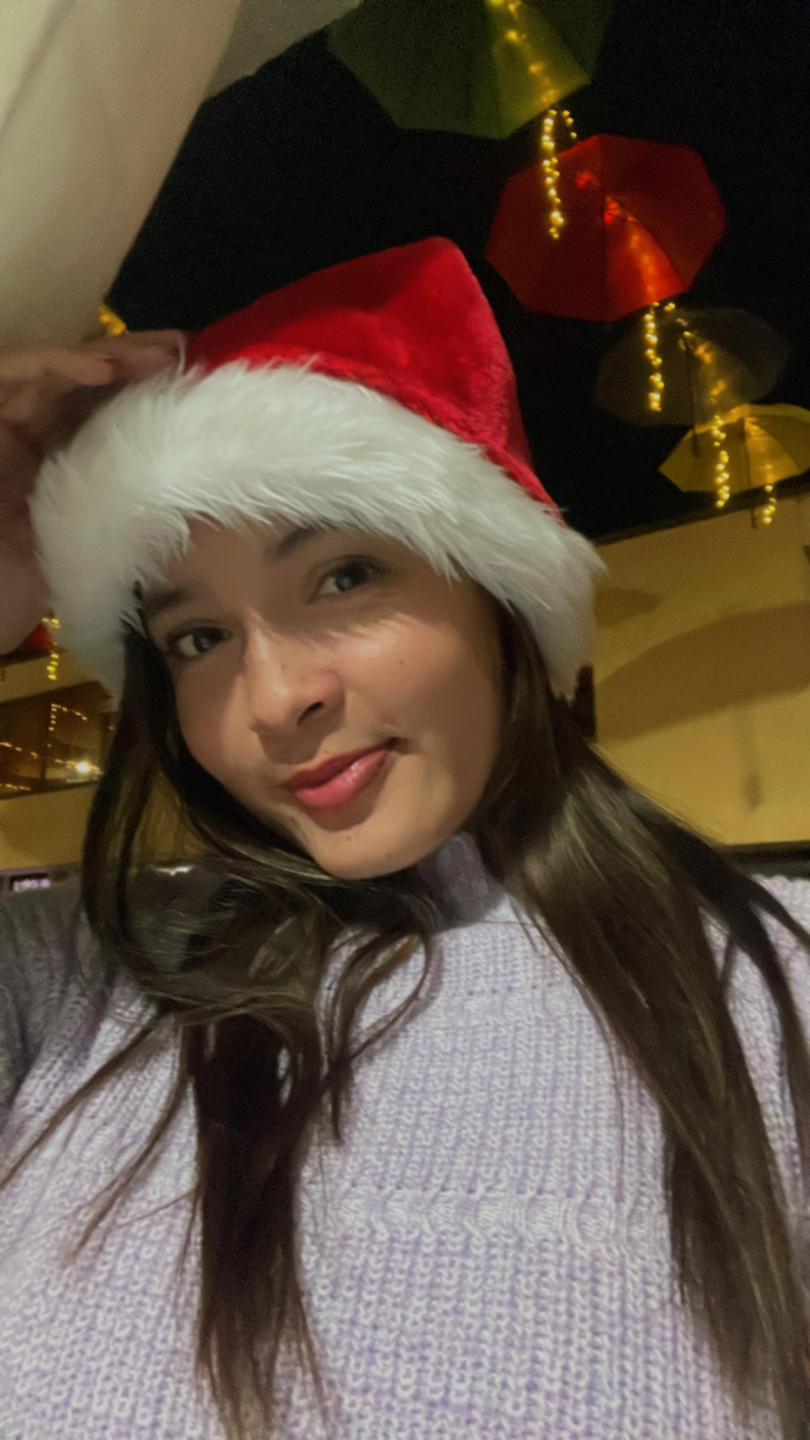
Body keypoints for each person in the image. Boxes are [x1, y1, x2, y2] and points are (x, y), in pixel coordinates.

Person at [0, 238, 808, 1440]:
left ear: (496, 592)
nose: (276, 700)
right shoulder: (76, 980)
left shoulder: (778, 989)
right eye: (198, 639)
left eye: (345, 576)